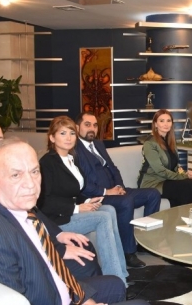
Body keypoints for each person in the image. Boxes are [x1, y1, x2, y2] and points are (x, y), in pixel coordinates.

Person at [0, 137, 148, 305]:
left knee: (115, 284)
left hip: (59, 288)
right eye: (16, 175)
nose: (30, 184)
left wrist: (84, 299)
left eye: (34, 172)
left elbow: (49, 267)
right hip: (51, 297)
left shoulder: (16, 208)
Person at [0, 120, 102, 279]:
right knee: (87, 263)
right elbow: (10, 231)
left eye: (0, 140)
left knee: (84, 246)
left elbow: (30, 212)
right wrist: (58, 249)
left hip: (31, 242)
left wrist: (57, 235)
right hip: (20, 259)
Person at [38, 116, 131, 283]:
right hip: (57, 220)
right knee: (103, 218)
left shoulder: (71, 159)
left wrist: (87, 201)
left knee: (109, 209)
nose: (68, 138)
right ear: (52, 138)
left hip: (72, 211)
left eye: (72, 133)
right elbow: (43, 201)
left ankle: (122, 272)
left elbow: (75, 190)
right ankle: (115, 279)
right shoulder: (47, 163)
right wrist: (77, 208)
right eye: (63, 133)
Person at [75, 112, 161, 268]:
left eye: (95, 125)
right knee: (126, 201)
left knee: (153, 194)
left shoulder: (98, 144)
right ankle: (128, 252)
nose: (92, 128)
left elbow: (113, 168)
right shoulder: (75, 149)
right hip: (97, 196)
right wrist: (107, 191)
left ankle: (145, 243)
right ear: (77, 127)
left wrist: (119, 187)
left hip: (115, 191)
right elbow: (83, 183)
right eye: (87, 125)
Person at [138, 109, 192, 207]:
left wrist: (185, 174)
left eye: (168, 121)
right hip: (153, 183)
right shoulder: (150, 143)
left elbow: (175, 166)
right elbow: (160, 171)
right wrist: (183, 177)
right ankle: (185, 215)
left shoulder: (170, 142)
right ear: (155, 124)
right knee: (186, 187)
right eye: (162, 121)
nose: (166, 124)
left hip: (166, 180)